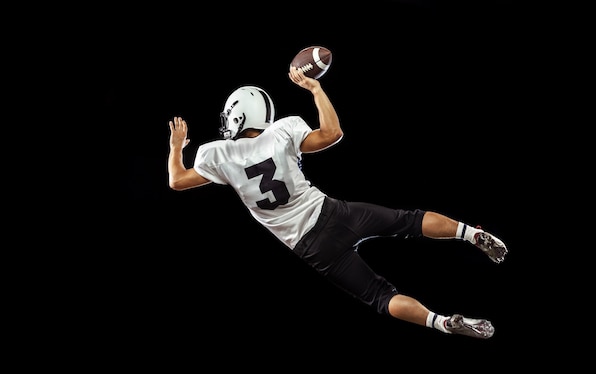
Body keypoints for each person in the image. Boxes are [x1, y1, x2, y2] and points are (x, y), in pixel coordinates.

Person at [166, 66, 508, 339]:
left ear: (237, 116)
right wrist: (315, 89)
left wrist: (177, 147)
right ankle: (469, 234)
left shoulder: (216, 154)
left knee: (380, 297)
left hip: (311, 247)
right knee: (410, 221)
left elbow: (177, 181)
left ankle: (442, 322)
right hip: (332, 213)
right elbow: (332, 133)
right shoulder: (283, 131)